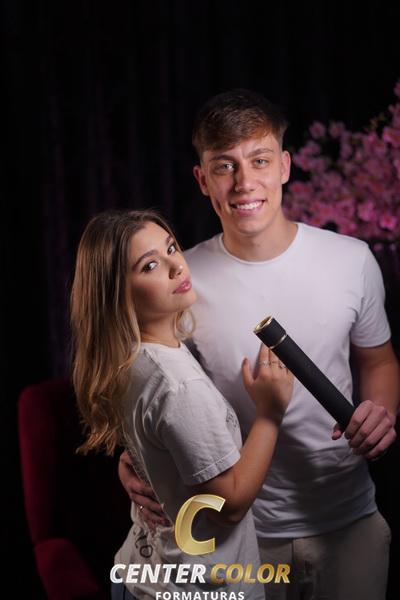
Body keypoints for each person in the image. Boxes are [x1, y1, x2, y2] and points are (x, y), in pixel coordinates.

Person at [119, 89, 400, 600]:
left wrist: (381, 413)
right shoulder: (180, 278)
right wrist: (135, 457)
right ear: (203, 179)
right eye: (224, 166)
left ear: (285, 166)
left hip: (348, 520)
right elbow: (154, 382)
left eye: (260, 160)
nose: (244, 182)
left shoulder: (352, 259)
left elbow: (377, 359)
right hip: (242, 535)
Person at [70, 208, 294, 600]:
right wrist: (270, 413)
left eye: (171, 247)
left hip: (142, 573)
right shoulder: (178, 385)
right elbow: (229, 505)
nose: (176, 266)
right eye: (150, 265)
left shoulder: (131, 358)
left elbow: (156, 446)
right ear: (117, 293)